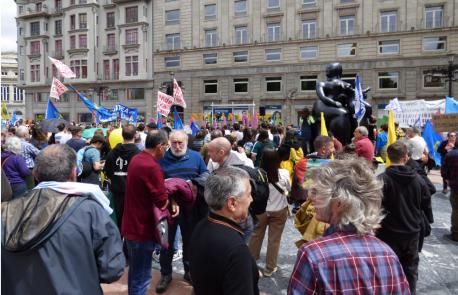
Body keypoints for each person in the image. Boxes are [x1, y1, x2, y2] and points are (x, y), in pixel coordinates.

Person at [2, 144, 125, 294]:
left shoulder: (6, 212)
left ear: (35, 174)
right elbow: (112, 269)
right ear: (74, 173)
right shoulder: (91, 212)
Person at [288, 159, 410, 295]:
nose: (311, 197)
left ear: (338, 203)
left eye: (317, 192)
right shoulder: (388, 254)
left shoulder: (314, 255)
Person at [121, 130, 179, 295]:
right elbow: (161, 201)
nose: (167, 150)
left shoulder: (137, 158)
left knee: (135, 271)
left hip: (131, 225)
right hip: (142, 229)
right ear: (160, 146)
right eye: (167, 146)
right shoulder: (151, 166)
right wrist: (172, 197)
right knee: (142, 276)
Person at [189, 166, 259, 295]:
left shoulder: (200, 226)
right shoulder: (237, 251)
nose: (251, 199)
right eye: (249, 194)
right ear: (232, 203)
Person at [156, 130, 209, 293]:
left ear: (186, 142)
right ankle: (165, 274)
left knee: (190, 241)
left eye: (181, 143)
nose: (178, 146)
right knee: (165, 243)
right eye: (174, 143)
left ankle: (189, 271)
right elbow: (156, 184)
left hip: (191, 209)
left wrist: (191, 183)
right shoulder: (162, 159)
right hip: (166, 208)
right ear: (169, 143)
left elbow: (206, 175)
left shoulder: (196, 157)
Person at [377, 141, 427, 294]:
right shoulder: (418, 179)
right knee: (410, 268)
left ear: (389, 157)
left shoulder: (381, 179)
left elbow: (375, 206)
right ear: (406, 157)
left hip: (389, 232)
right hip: (412, 231)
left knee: (387, 268)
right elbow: (426, 204)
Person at [249, 149, 290, 277]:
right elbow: (288, 189)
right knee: (274, 240)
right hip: (279, 210)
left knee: (255, 237)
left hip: (261, 211)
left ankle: (250, 264)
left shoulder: (257, 174)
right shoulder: (284, 173)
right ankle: (270, 267)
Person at [104, 124, 140, 226]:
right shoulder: (139, 154)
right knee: (131, 224)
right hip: (132, 194)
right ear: (135, 135)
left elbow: (107, 172)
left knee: (117, 223)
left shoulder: (112, 153)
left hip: (117, 192)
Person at [441, 146, 458, 242]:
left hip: (455, 187)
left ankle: (456, 233)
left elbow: (444, 171)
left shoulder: (451, 154)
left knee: (456, 210)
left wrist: (448, 181)